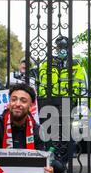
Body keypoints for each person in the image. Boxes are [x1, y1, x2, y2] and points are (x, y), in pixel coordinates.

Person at [37, 36, 88, 165]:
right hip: (49, 101)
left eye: (65, 47)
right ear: (56, 48)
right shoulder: (47, 63)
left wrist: (73, 97)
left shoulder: (75, 64)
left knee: (66, 133)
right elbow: (42, 83)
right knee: (49, 133)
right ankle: (50, 161)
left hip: (67, 102)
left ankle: (64, 163)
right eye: (60, 47)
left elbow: (80, 84)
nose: (62, 50)